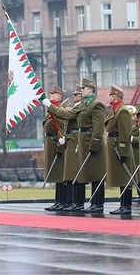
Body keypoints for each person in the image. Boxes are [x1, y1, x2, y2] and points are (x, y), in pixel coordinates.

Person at [44, 78, 107, 214]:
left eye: (83, 88)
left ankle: (98, 204)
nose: (81, 91)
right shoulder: (83, 105)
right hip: (82, 140)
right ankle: (82, 203)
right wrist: (49, 106)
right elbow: (65, 114)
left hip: (91, 141)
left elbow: (98, 128)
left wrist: (94, 143)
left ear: (90, 89)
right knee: (83, 174)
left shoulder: (96, 104)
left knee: (95, 174)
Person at [105, 85, 135, 215]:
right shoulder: (115, 110)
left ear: (116, 96)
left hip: (120, 147)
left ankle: (126, 206)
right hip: (114, 145)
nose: (110, 97)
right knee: (121, 177)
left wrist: (123, 150)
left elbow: (125, 132)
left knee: (125, 178)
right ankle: (123, 205)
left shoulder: (122, 111)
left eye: (111, 95)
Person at [42, 84, 67, 211]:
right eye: (50, 93)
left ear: (59, 96)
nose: (50, 94)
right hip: (50, 142)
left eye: (53, 93)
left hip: (57, 143)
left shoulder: (59, 110)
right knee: (57, 175)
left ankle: (62, 201)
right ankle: (58, 201)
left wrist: (59, 147)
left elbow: (61, 129)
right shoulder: (52, 110)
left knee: (60, 175)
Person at [62, 85, 85, 212]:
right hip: (72, 139)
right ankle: (73, 201)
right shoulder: (75, 107)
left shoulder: (80, 107)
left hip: (76, 140)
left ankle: (77, 202)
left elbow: (66, 114)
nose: (73, 96)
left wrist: (49, 106)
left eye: (76, 94)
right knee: (71, 172)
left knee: (76, 172)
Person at [131, 106, 140, 202]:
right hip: (134, 154)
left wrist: (131, 139)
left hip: (138, 154)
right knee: (137, 177)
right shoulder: (134, 125)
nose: (134, 117)